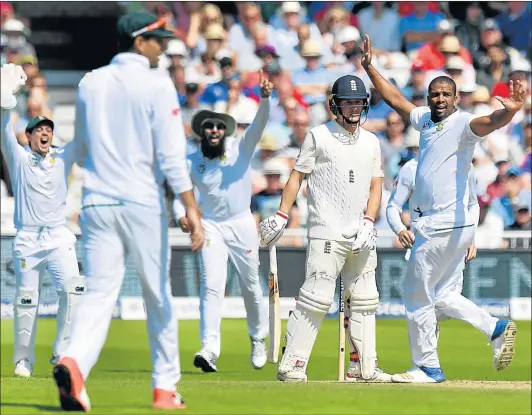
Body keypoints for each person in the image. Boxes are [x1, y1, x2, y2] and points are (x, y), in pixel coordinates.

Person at [51, 11, 204, 411]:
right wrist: (192, 209)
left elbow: (81, 151)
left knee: (99, 293)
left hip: (96, 201)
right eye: (159, 40)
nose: (165, 46)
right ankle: (165, 389)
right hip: (141, 202)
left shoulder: (90, 82)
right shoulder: (157, 85)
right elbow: (172, 158)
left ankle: (74, 363)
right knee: (159, 297)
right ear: (139, 42)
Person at [361, 35, 524, 383]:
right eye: (434, 94)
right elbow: (395, 99)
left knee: (415, 294)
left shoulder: (463, 122)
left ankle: (427, 367)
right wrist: (369, 68)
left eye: (445, 94)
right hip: (456, 226)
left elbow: (489, 122)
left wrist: (509, 111)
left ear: (455, 98)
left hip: (443, 225)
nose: (438, 99)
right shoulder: (424, 120)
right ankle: (494, 327)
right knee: (444, 294)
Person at [260, 74, 392, 383]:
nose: (355, 108)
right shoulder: (318, 136)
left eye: (359, 102)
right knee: (316, 298)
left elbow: (376, 186)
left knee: (365, 299)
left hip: (360, 234)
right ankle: (292, 365)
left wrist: (369, 222)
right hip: (326, 231)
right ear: (335, 105)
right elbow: (297, 176)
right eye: (348, 102)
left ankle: (364, 369)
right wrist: (282, 214)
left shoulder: (372, 141)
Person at [173, 70, 273, 373]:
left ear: (225, 130)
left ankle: (258, 339)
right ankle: (209, 348)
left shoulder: (239, 148)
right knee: (211, 286)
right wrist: (182, 215)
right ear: (202, 131)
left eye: (218, 126)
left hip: (241, 223)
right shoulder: (191, 161)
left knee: (251, 285)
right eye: (209, 127)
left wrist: (265, 99)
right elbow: (181, 193)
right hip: (211, 226)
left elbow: (258, 125)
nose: (214, 130)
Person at [1, 64, 85, 378]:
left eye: (48, 129)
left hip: (59, 236)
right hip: (28, 238)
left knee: (74, 290)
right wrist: (5, 96)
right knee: (26, 299)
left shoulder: (63, 157)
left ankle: (62, 349)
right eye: (39, 130)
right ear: (30, 135)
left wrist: (89, 97)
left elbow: (85, 137)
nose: (45, 133)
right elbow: (2, 128)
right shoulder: (19, 157)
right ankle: (23, 360)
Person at [386, 135, 492, 338]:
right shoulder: (411, 169)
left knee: (430, 301)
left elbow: (472, 204)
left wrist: (471, 238)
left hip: (453, 241)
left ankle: (493, 327)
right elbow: (393, 207)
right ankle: (428, 366)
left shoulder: (464, 167)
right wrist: (400, 229)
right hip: (424, 242)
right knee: (433, 306)